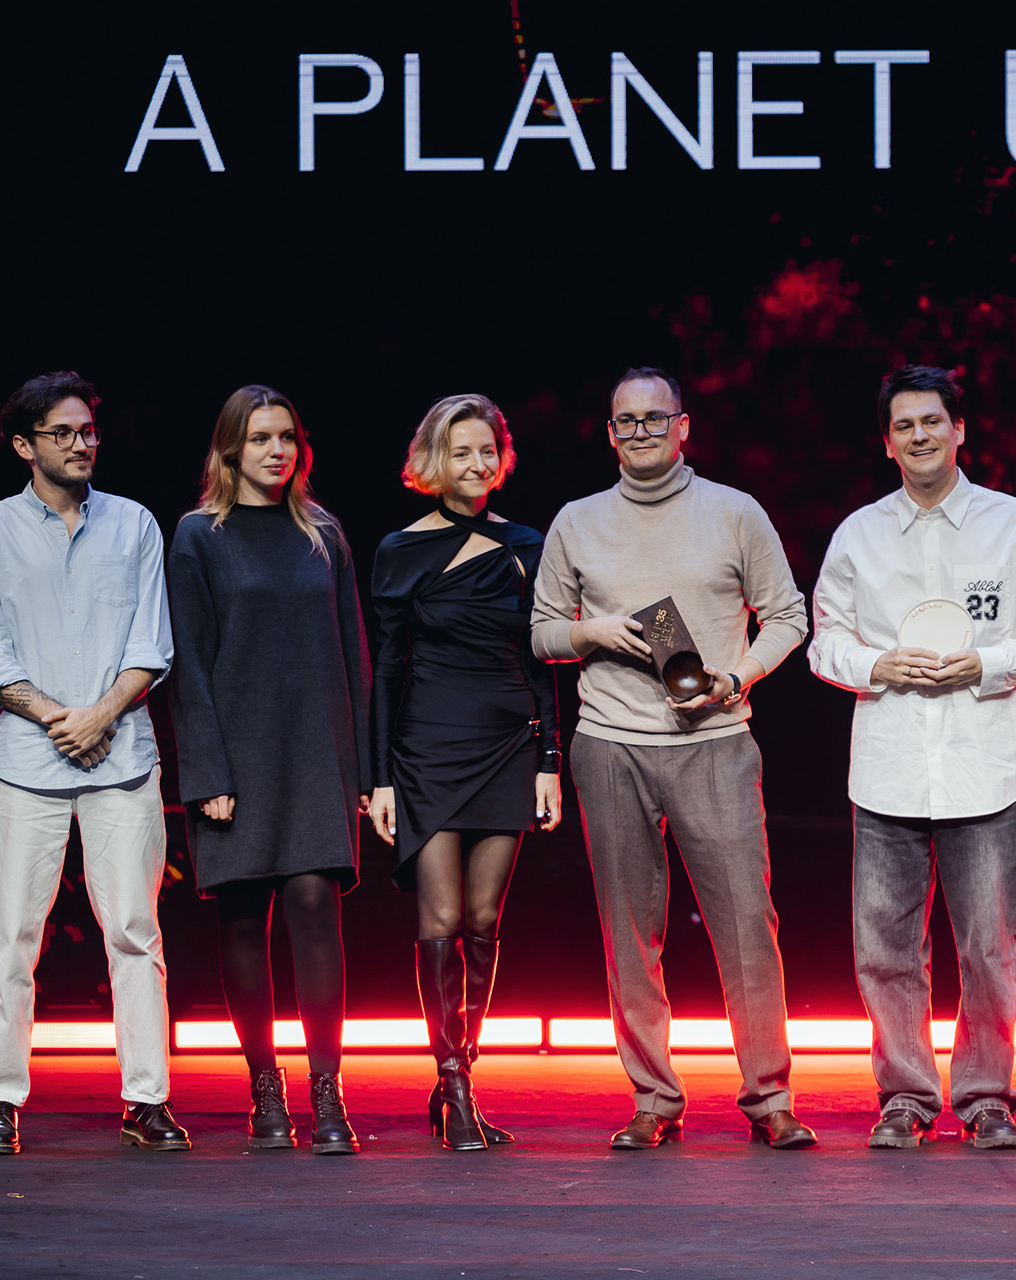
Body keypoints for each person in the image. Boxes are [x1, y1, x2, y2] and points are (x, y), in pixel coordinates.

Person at [531, 366, 816, 1151]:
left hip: (714, 740)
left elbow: (788, 617)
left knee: (747, 924)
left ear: (683, 426)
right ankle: (653, 1097)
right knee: (629, 931)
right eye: (627, 421)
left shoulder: (733, 511)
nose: (641, 433)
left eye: (655, 419)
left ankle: (769, 1097)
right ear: (610, 433)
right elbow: (542, 631)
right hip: (610, 742)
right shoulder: (577, 521)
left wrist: (737, 677)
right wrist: (590, 632)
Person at [809, 365, 1016, 1150]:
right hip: (890, 765)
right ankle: (905, 1095)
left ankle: (986, 1096)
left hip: (984, 763)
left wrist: (987, 662)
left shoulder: (1013, 525)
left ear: (960, 431)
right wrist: (878, 664)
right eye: (904, 425)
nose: (920, 435)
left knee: (989, 948)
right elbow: (825, 640)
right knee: (884, 950)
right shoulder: (859, 535)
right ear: (887, 443)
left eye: (933, 421)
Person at [0, 372, 186, 1155]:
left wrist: (99, 715)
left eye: (88, 430)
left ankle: (146, 1099)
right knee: (11, 935)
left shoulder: (134, 524)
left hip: (121, 757)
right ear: (25, 446)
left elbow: (152, 644)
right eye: (64, 432)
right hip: (26, 758)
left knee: (134, 930)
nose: (82, 443)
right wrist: (62, 718)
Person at [168, 384, 371, 1155]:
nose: (276, 450)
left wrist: (365, 771)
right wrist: (206, 773)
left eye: (285, 436)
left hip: (317, 753)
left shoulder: (324, 533)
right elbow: (188, 661)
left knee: (316, 908)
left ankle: (328, 1094)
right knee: (244, 919)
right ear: (231, 449)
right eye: (259, 438)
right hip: (235, 758)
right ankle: (265, 1091)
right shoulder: (199, 535)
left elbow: (354, 656)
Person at [368, 394, 561, 1151]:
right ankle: (452, 1084)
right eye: (461, 452)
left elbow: (541, 659)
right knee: (441, 919)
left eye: (488, 451)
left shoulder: (528, 544)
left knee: (484, 921)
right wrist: (380, 777)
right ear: (432, 462)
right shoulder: (398, 549)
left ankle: (461, 1078)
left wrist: (548, 761)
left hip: (509, 745)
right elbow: (386, 670)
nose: (477, 464)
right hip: (427, 751)